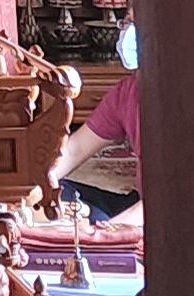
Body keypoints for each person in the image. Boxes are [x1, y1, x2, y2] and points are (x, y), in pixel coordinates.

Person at [47, 24, 144, 218]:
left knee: (91, 226)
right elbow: (75, 150)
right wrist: (29, 189)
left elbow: (173, 199)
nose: (128, 30)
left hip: (169, 214)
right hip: (139, 203)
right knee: (55, 191)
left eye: (136, 22)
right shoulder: (128, 92)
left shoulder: (186, 103)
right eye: (126, 21)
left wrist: (107, 231)